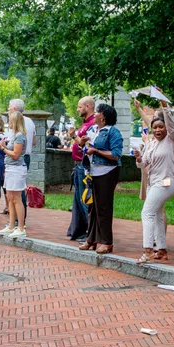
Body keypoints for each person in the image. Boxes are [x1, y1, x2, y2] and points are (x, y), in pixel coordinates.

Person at [134, 99, 174, 263]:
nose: (158, 130)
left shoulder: (172, 140)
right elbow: (143, 164)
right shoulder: (151, 144)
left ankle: (147, 250)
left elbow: (171, 123)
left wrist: (164, 104)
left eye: (161, 127)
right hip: (154, 183)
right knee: (158, 215)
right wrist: (139, 158)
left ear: (167, 128)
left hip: (167, 182)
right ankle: (161, 250)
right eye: (155, 128)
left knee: (147, 212)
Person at [79, 103, 123, 254]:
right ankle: (91, 239)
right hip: (92, 172)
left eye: (97, 112)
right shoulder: (93, 130)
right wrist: (82, 143)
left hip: (107, 172)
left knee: (103, 207)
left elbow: (116, 155)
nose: (95, 114)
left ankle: (106, 242)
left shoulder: (113, 132)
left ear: (103, 116)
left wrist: (96, 151)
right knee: (93, 207)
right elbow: (86, 147)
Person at [67, 96, 96, 241]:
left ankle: (90, 232)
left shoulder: (92, 124)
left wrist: (73, 137)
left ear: (88, 106)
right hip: (78, 165)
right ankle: (78, 229)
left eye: (79, 106)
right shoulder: (84, 123)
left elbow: (86, 146)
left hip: (84, 166)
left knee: (85, 198)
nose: (77, 109)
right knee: (79, 199)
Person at [0, 111, 28, 238]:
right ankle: (11, 225)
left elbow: (16, 154)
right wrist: (2, 145)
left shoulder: (20, 136)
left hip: (16, 168)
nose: (8, 123)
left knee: (16, 198)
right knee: (9, 197)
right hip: (10, 168)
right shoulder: (14, 135)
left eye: (10, 120)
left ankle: (20, 227)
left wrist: (2, 148)